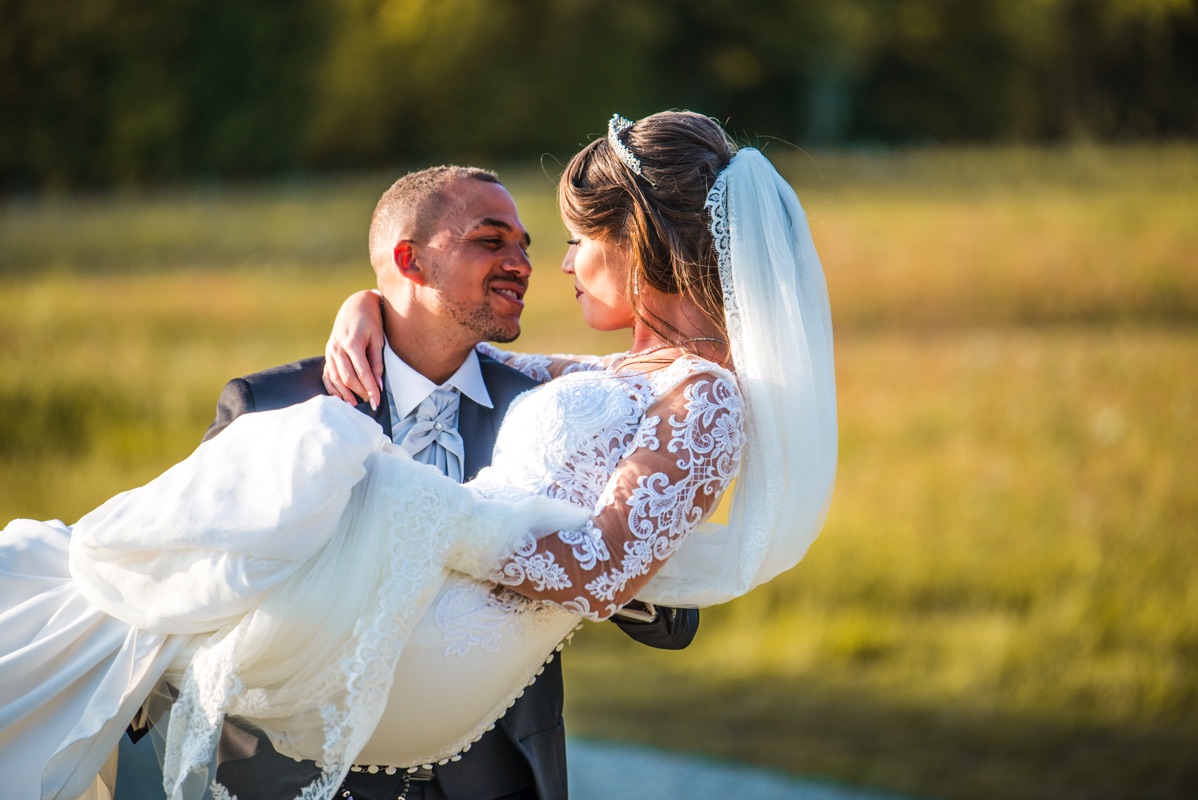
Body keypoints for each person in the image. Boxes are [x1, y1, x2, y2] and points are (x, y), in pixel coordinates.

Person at [0, 110, 837, 800]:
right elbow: (462, 344)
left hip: (445, 676)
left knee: (314, 450)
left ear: (641, 242)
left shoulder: (707, 397)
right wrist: (369, 301)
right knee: (71, 593)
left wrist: (435, 512)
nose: (559, 264)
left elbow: (605, 572)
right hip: (389, 651)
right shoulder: (622, 371)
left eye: (579, 240)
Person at [203, 164, 700, 800]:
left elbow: (673, 619)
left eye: (525, 244)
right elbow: (210, 589)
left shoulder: (551, 410)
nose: (522, 263)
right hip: (305, 775)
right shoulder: (274, 405)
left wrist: (598, 567)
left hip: (496, 778)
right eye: (491, 241)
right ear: (409, 260)